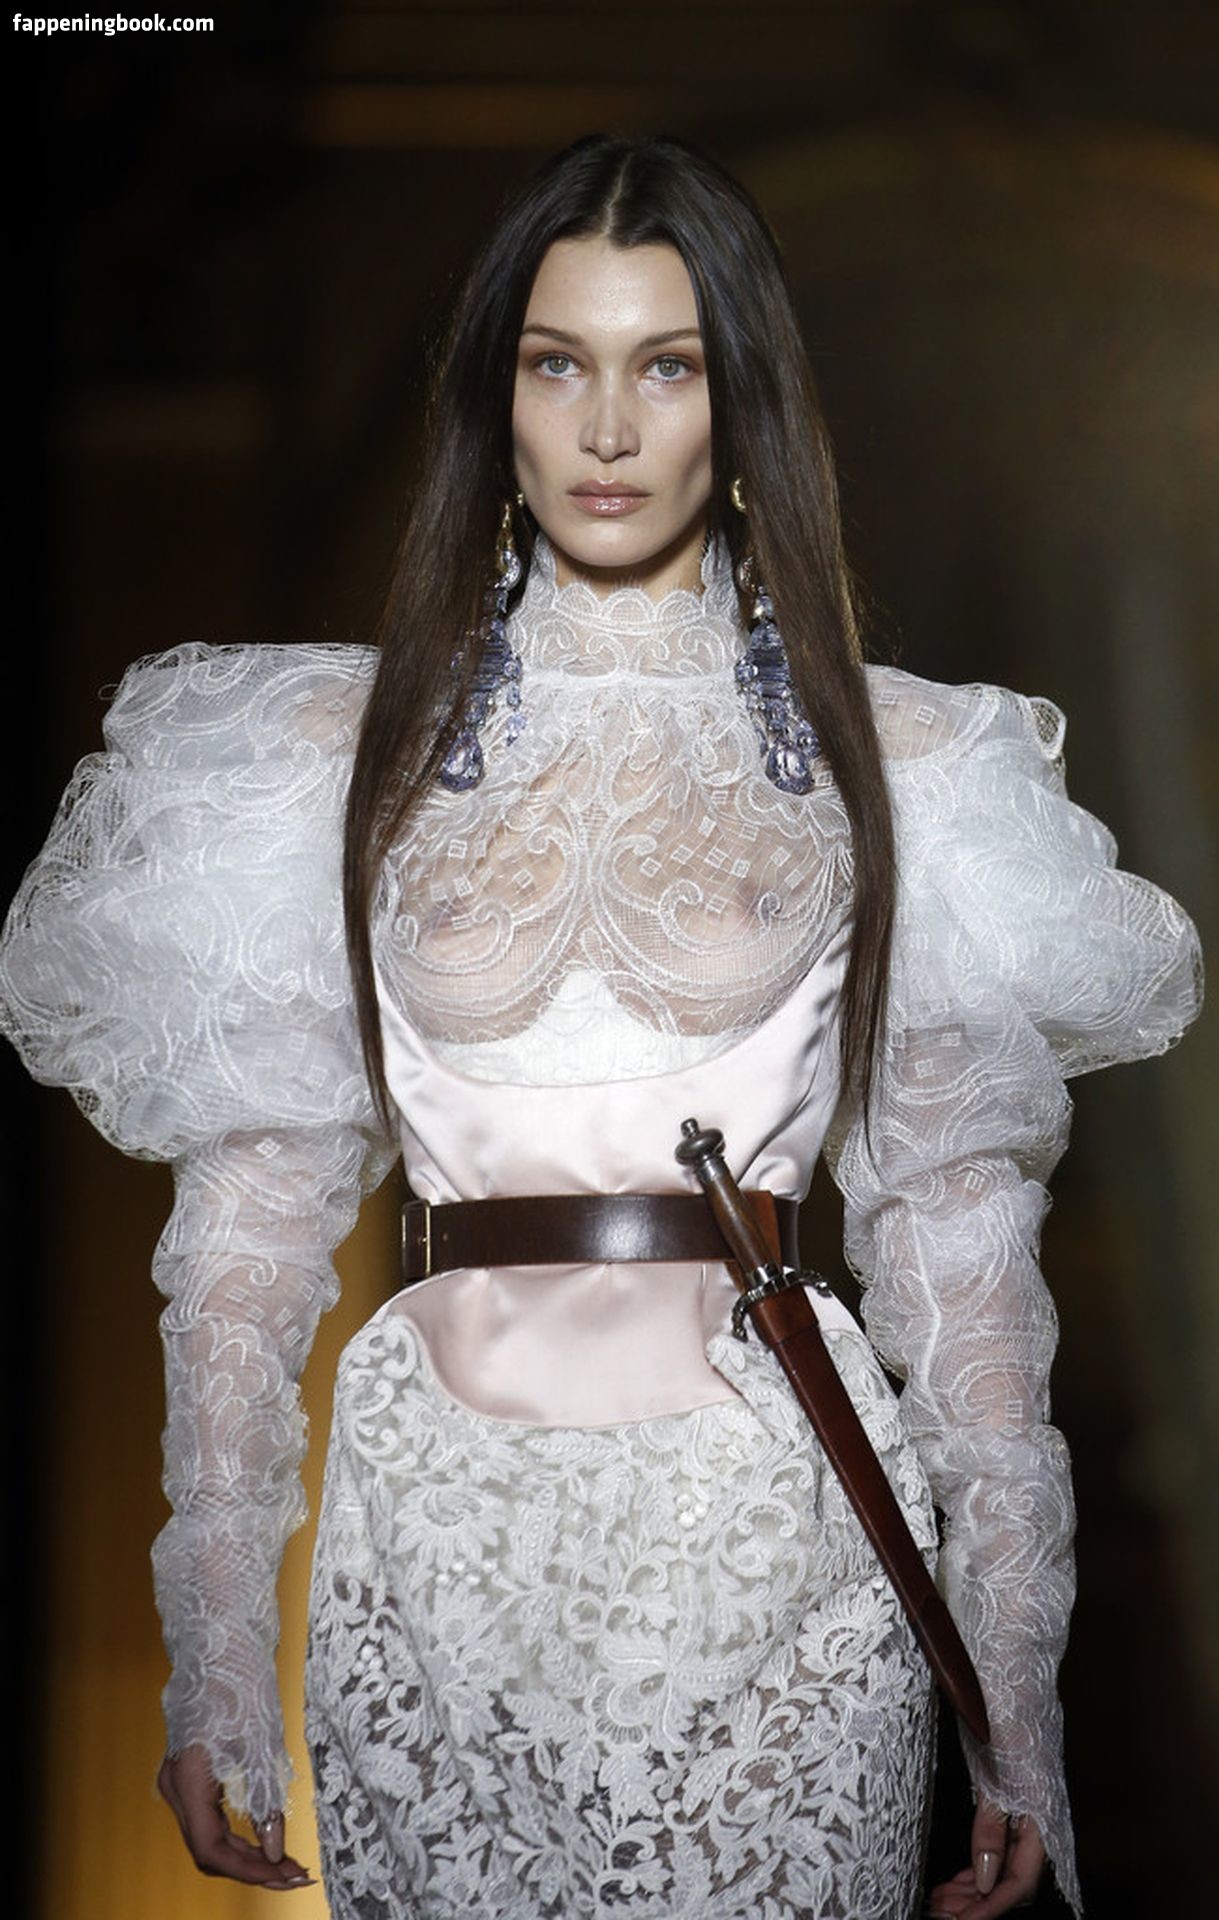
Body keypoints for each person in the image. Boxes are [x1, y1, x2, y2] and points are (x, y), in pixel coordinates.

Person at [0, 132, 1202, 1920]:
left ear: (743, 405)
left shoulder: (907, 767)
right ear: (499, 403)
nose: (611, 427)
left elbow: (962, 1265)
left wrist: (1015, 1714)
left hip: (780, 1533)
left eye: (670, 367)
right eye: (559, 364)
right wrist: (216, 1661)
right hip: (435, 1539)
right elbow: (247, 1248)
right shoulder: (326, 762)